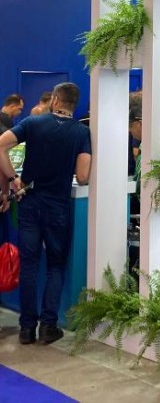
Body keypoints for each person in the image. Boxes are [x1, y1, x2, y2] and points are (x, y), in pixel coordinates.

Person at [0, 82, 91, 346]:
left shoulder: (33, 123)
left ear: (55, 100)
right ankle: (48, 326)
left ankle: (26, 328)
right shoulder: (82, 132)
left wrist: (12, 179)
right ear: (74, 104)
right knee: (55, 265)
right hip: (58, 207)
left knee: (29, 265)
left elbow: (0, 146)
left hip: (30, 203)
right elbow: (83, 176)